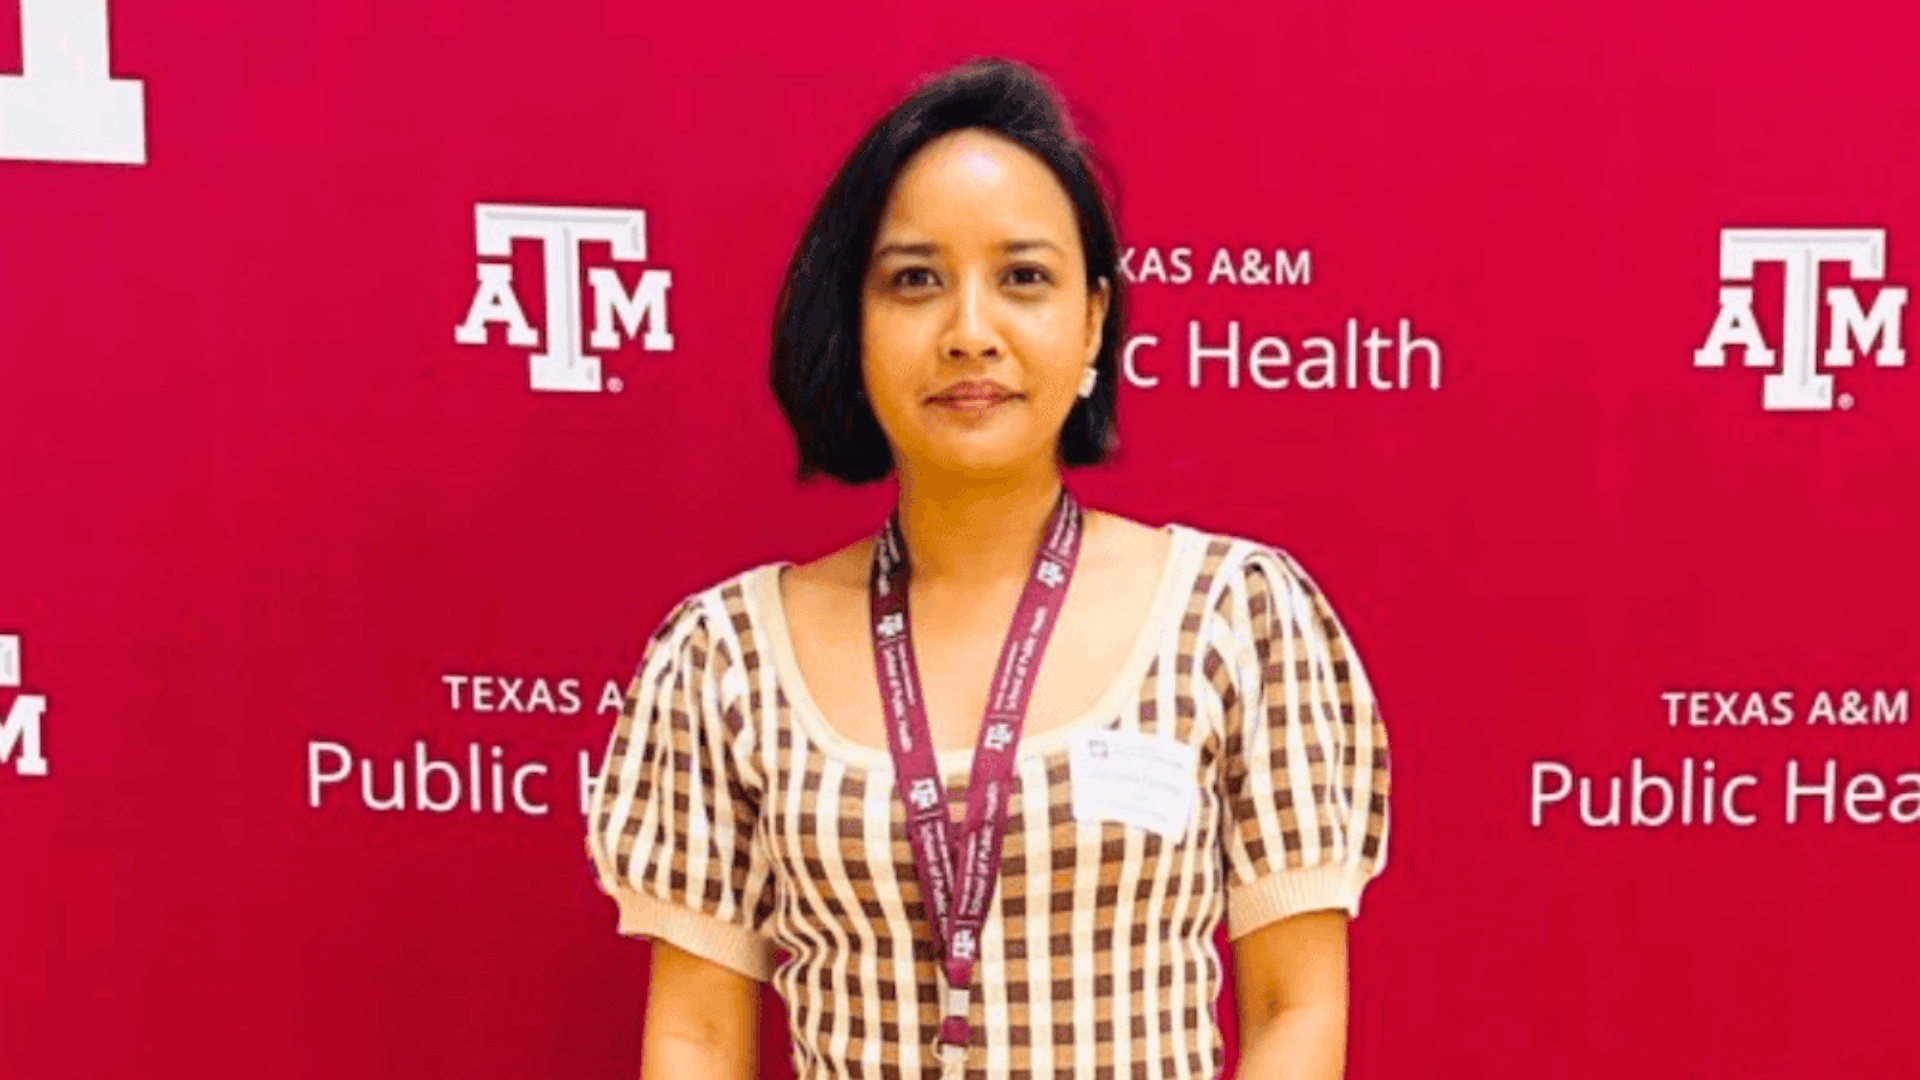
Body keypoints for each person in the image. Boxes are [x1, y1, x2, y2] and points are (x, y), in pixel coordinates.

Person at [585, 56, 1391, 1080]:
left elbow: (1294, 1011)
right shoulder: (727, 658)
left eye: (1023, 278)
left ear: (1093, 319)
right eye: (916, 280)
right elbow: (696, 1036)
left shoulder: (1235, 618)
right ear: (856, 321)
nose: (971, 334)